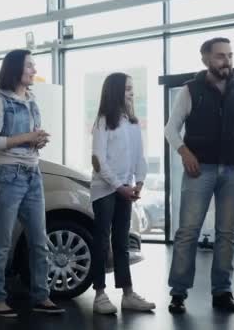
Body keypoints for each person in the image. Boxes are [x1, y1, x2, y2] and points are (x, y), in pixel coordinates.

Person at [164, 37, 234, 314]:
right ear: (205, 59)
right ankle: (179, 293)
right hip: (200, 170)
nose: (227, 61)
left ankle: (222, 292)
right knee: (187, 232)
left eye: (230, 55)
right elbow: (170, 129)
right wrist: (185, 152)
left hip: (233, 170)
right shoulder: (190, 90)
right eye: (220, 56)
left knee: (227, 233)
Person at [0, 49, 64, 317]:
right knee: (1, 243)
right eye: (29, 66)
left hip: (32, 174)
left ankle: (42, 296)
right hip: (8, 176)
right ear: (16, 68)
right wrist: (26, 137)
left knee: (39, 241)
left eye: (34, 66)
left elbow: (29, 139)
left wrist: (38, 140)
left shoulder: (31, 100)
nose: (34, 70)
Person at [90, 73, 156, 315]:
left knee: (121, 243)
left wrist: (138, 182)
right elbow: (98, 161)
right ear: (115, 90)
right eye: (128, 88)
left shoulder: (133, 123)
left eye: (132, 88)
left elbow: (139, 156)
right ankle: (99, 294)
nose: (131, 92)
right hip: (105, 189)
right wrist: (120, 187)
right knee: (101, 241)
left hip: (126, 189)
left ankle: (128, 295)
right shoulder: (102, 121)